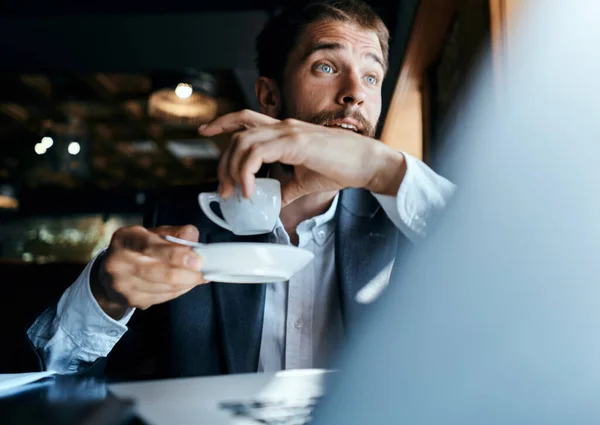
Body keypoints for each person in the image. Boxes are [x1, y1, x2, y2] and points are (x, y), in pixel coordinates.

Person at [25, 0, 455, 379]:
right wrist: (104, 296)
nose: (355, 95)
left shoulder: (408, 215)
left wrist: (381, 166)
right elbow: (59, 372)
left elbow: (512, 266)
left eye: (372, 77)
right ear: (269, 96)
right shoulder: (183, 217)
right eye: (326, 66)